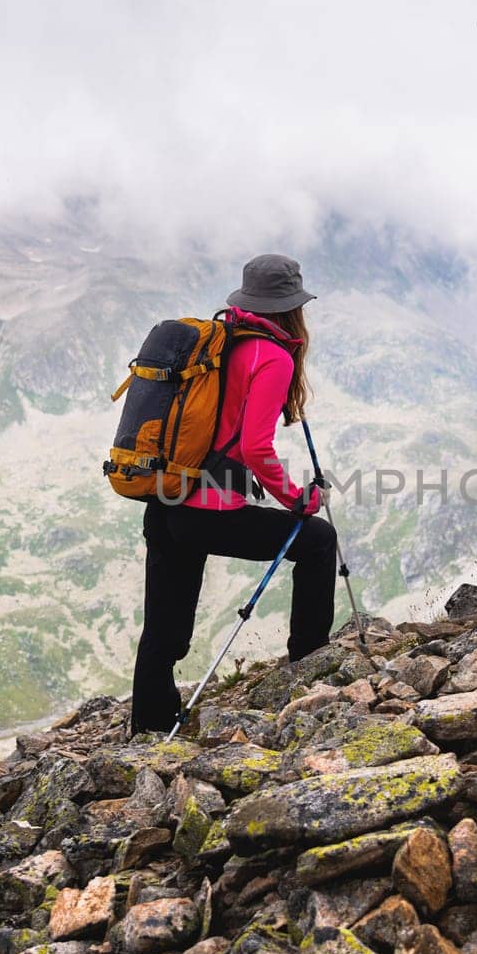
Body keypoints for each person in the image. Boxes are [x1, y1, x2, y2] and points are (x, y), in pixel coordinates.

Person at [129, 254, 338, 734]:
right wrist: (297, 500)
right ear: (292, 306)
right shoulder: (274, 357)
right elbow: (255, 447)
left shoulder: (221, 341)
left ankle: (147, 730)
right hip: (208, 512)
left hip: (166, 499)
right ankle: (309, 663)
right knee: (318, 540)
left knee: (164, 631)